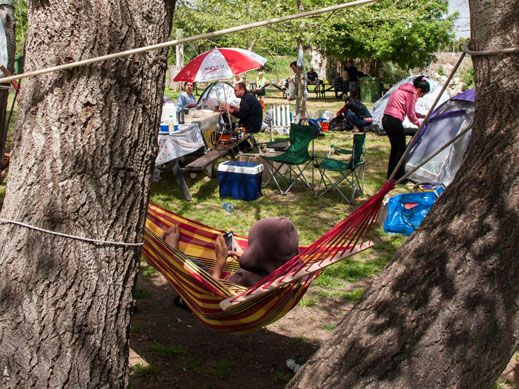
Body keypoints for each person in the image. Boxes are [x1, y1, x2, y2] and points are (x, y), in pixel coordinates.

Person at [162, 217, 299, 288]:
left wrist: (220, 262)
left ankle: (172, 250)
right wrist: (244, 255)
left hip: (218, 301)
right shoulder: (289, 272)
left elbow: (212, 293)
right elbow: (268, 259)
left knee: (196, 268)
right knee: (197, 264)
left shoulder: (246, 281)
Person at [382, 75, 431, 180]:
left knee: (395, 149)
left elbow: (410, 111)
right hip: (394, 121)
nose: (421, 97)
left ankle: (391, 176)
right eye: (422, 94)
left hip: (386, 119)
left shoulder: (402, 89)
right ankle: (400, 177)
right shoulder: (412, 93)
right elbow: (410, 114)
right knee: (402, 150)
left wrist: (422, 116)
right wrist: (419, 124)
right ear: (419, 89)